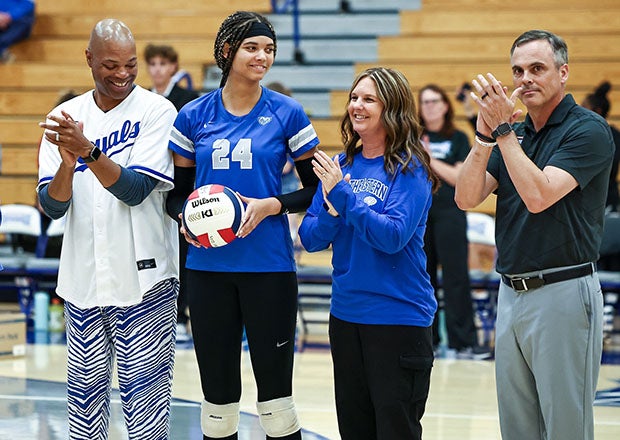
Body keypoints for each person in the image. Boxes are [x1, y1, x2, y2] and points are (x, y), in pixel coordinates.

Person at [165, 11, 320, 440]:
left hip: (269, 268)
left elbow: (314, 190)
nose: (262, 56)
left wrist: (273, 204)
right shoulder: (193, 116)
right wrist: (187, 217)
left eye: (269, 49)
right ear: (228, 51)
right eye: (252, 47)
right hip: (208, 271)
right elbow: (175, 195)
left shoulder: (287, 112)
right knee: (217, 398)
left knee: (276, 399)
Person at [455, 29, 614, 440]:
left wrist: (504, 132)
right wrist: (484, 134)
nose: (525, 78)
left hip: (563, 291)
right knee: (518, 428)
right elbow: (466, 196)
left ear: (563, 73)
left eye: (537, 69)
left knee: (566, 428)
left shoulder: (589, 131)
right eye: (518, 70)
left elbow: (539, 195)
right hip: (510, 291)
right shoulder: (517, 133)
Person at [37, 19, 179, 439]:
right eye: (111, 65)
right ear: (89, 60)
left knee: (146, 413)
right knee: (84, 412)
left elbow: (135, 190)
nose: (122, 74)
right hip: (83, 282)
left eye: (131, 65)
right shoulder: (64, 118)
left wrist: (87, 152)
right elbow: (52, 206)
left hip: (146, 282)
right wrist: (66, 165)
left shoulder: (157, 111)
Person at [299, 67, 440, 440]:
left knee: (395, 431)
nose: (356, 106)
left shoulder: (410, 169)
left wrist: (342, 198)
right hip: (345, 318)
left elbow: (392, 236)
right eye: (354, 97)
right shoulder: (340, 166)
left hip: (398, 319)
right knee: (354, 428)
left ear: (390, 108)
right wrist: (332, 210)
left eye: (368, 99)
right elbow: (310, 237)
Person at [418, 84, 484, 359]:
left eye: (435, 101)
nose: (430, 106)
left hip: (451, 212)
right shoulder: (412, 137)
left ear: (445, 105)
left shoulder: (457, 138)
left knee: (457, 277)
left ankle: (463, 341)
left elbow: (459, 178)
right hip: (420, 214)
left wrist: (429, 159)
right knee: (423, 278)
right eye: (424, 102)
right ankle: (426, 340)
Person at [144, 43, 200, 342]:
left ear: (174, 67)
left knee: (182, 248)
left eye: (163, 64)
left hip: (179, 182)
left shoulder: (187, 100)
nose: (157, 70)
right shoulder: (139, 100)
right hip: (149, 184)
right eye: (152, 63)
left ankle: (180, 313)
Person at [581, 81, 620, 213]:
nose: (579, 111)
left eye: (583, 107)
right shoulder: (578, 133)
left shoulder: (612, 136)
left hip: (605, 200)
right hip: (585, 201)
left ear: (597, 111)